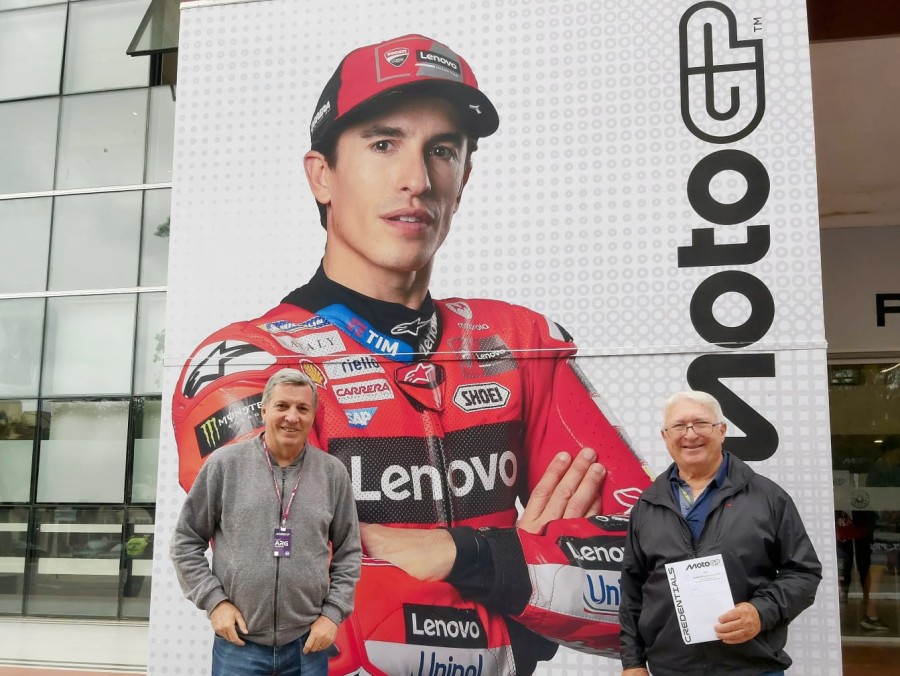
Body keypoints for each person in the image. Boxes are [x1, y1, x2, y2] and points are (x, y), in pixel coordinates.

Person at [171, 34, 652, 674]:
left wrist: (476, 560)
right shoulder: (243, 364)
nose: (416, 180)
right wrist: (531, 589)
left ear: (465, 178)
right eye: (383, 143)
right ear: (322, 175)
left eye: (443, 151)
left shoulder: (518, 342)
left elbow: (667, 583)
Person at [170, 369, 361, 676]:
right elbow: (185, 542)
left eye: (302, 408)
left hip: (307, 645)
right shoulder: (224, 465)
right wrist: (215, 603)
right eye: (282, 406)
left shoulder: (332, 473)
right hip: (239, 646)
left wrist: (333, 615)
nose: (292, 417)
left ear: (313, 416)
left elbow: (349, 552)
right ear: (263, 410)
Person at [619, 390, 822, 676]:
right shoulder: (646, 505)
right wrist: (633, 662)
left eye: (701, 423)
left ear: (722, 430)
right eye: (679, 426)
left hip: (751, 668)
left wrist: (760, 612)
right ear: (665, 436)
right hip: (670, 669)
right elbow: (632, 589)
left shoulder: (768, 497)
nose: (690, 434)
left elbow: (804, 572)